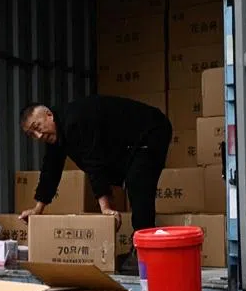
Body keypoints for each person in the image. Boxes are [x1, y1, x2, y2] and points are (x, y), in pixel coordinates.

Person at [18, 94, 173, 273]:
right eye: (32, 134)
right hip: (130, 142)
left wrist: (105, 208)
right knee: (132, 178)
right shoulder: (58, 132)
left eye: (37, 127)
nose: (38, 136)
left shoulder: (75, 120)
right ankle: (141, 247)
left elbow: (94, 162)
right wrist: (37, 209)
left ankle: (143, 252)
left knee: (138, 180)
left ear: (48, 114)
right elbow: (50, 170)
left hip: (151, 129)